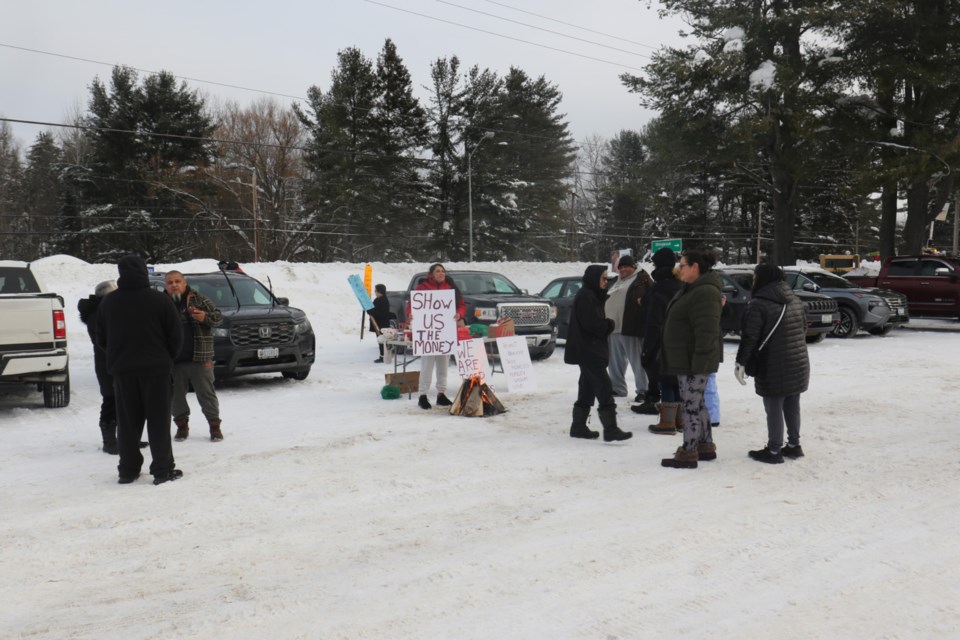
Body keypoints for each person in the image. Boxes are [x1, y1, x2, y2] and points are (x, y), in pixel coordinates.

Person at [96, 255, 184, 485]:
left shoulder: (109, 302)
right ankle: (162, 470)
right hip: (156, 370)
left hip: (123, 372)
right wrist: (166, 358)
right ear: (144, 272)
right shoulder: (160, 301)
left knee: (127, 424)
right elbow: (175, 336)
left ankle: (127, 470)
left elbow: (101, 338)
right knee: (159, 422)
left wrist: (119, 357)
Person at [734, 264, 810, 464]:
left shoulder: (758, 304)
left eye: (755, 276)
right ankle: (794, 445)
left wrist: (741, 362)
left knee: (774, 406)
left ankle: (774, 450)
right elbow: (802, 330)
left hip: (773, 364)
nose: (753, 280)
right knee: (793, 404)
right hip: (798, 361)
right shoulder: (795, 300)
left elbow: (750, 337)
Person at [659, 248, 723, 469]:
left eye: (683, 265)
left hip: (693, 361)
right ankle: (705, 446)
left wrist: (699, 364)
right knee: (698, 403)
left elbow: (706, 332)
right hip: (686, 358)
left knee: (690, 406)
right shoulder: (692, 289)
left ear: (695, 267)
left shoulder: (704, 292)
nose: (679, 269)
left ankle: (688, 451)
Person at [564, 265, 633, 442]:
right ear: (594, 279)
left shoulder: (590, 294)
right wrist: (609, 324)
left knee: (587, 387)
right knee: (604, 387)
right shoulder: (587, 296)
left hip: (588, 349)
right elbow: (593, 324)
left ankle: (578, 426)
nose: (606, 282)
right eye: (603, 278)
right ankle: (611, 429)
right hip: (589, 350)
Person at [163, 270, 225, 442]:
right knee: (176, 397)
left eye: (177, 281)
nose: (174, 285)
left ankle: (215, 427)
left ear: (184, 282)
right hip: (173, 360)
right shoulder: (161, 302)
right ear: (165, 286)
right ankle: (182, 427)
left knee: (207, 394)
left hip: (200, 357)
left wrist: (205, 317)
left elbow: (219, 318)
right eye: (170, 282)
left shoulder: (199, 299)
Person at [635, 248, 683, 433]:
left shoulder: (659, 288)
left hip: (662, 342)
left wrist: (648, 349)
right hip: (679, 341)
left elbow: (654, 322)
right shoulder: (679, 285)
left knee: (665, 381)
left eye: (654, 263)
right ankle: (679, 420)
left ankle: (667, 423)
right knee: (676, 380)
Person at [408, 263, 465, 410]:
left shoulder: (450, 287)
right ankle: (422, 395)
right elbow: (412, 304)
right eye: (438, 271)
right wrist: (411, 313)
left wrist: (459, 313)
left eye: (443, 271)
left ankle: (441, 393)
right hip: (429, 335)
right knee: (427, 364)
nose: (441, 273)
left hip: (445, 333)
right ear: (431, 274)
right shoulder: (422, 287)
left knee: (443, 364)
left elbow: (461, 305)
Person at [77, 280, 122, 454]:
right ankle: (109, 441)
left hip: (115, 362)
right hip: (107, 365)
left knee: (123, 402)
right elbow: (108, 340)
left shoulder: (105, 311)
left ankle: (125, 437)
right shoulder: (97, 315)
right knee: (111, 401)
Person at [605, 254, 653, 403]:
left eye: (626, 266)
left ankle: (643, 390)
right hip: (612, 327)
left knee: (637, 360)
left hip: (632, 326)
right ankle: (618, 388)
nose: (624, 269)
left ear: (633, 266)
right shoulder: (615, 280)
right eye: (621, 267)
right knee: (614, 362)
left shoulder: (643, 279)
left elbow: (651, 300)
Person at [368, 283, 392, 363]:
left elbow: (381, 314)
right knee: (380, 340)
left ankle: (383, 357)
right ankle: (382, 356)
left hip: (382, 325)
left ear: (379, 291)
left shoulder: (383, 301)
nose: (375, 292)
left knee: (382, 341)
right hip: (379, 324)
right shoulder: (379, 299)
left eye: (375, 291)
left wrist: (371, 311)